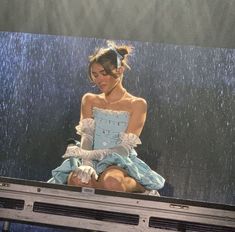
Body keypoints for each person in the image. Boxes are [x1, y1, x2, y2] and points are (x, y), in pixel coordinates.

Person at [48, 41, 165, 194]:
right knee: (78, 180)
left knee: (111, 182)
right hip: (89, 158)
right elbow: (87, 137)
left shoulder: (137, 104)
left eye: (104, 73)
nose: (99, 80)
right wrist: (87, 163)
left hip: (118, 161)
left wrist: (91, 154)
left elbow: (124, 149)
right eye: (95, 75)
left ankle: (142, 188)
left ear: (120, 70)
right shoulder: (89, 99)